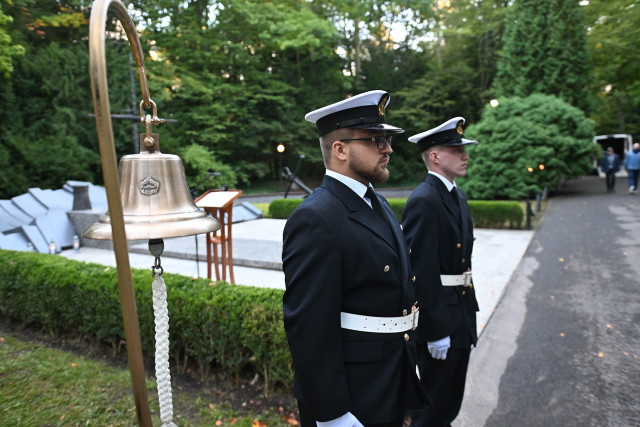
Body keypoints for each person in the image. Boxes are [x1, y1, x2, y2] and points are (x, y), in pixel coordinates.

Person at [282, 90, 427, 427]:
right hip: (354, 394)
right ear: (340, 149)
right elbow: (309, 328)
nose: (388, 148)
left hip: (389, 375)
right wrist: (331, 413)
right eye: (376, 140)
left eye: (387, 139)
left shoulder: (376, 202)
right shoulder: (316, 218)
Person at [401, 117, 480, 427]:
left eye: (463, 149)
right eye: (456, 149)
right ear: (434, 156)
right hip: (442, 321)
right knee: (432, 412)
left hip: (460, 314)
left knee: (448, 406)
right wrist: (435, 331)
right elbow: (421, 271)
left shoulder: (454, 195)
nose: (465, 155)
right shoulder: (424, 200)